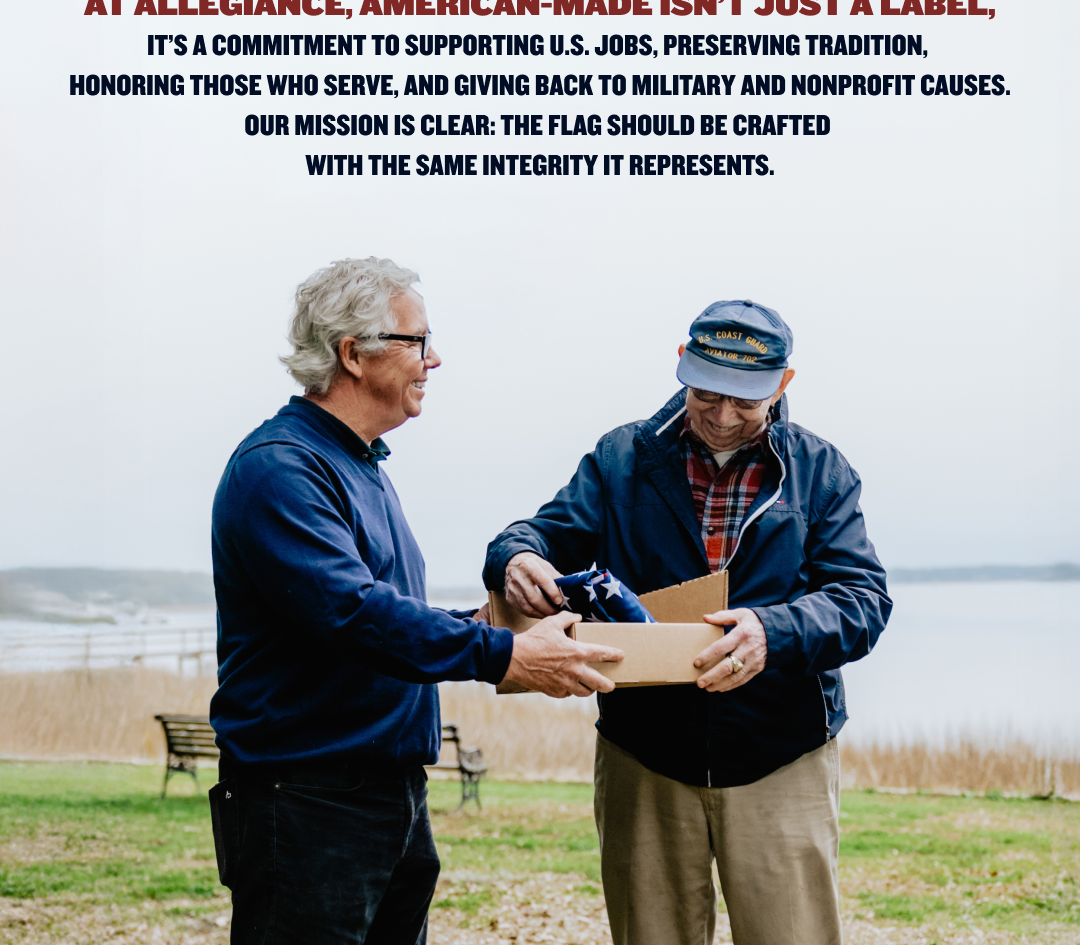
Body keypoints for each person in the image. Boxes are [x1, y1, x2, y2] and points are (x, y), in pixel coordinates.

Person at [209, 257, 622, 945]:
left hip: (390, 795)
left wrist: (491, 624)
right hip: (308, 802)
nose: (435, 360)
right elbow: (354, 613)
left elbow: (377, 617)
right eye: (419, 341)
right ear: (353, 354)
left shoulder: (360, 463)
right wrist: (503, 655)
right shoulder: (281, 468)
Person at [484, 299, 891, 945]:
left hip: (781, 757)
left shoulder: (822, 471)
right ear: (681, 366)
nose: (724, 419)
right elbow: (536, 534)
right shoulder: (620, 457)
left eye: (746, 401)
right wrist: (516, 556)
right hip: (644, 756)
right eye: (707, 395)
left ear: (783, 386)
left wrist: (773, 632)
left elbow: (862, 600)